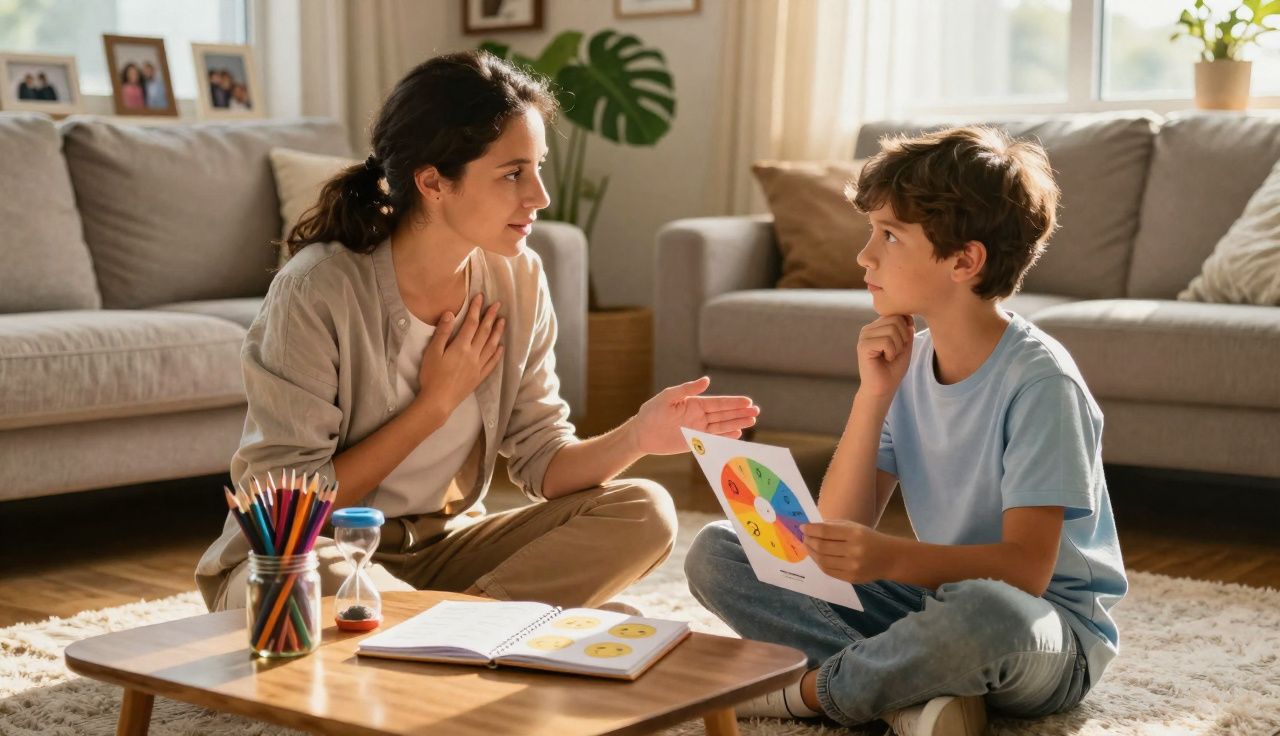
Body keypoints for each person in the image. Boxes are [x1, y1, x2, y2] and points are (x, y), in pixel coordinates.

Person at [195, 51, 761, 614]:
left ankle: (445, 637)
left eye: (538, 167)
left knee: (645, 509)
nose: (539, 196)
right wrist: (433, 405)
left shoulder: (518, 277)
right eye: (514, 173)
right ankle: (491, 634)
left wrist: (639, 435)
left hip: (443, 552)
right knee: (296, 585)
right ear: (433, 183)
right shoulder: (318, 289)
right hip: (310, 551)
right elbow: (284, 509)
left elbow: (544, 461)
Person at [684, 126, 1127, 736]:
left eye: (888, 236)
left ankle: (808, 693)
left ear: (964, 260)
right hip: (935, 606)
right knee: (720, 551)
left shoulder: (1042, 384)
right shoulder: (909, 362)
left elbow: (1025, 573)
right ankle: (908, 695)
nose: (865, 256)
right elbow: (836, 533)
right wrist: (874, 395)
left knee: (985, 612)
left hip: (1043, 633)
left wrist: (892, 557)